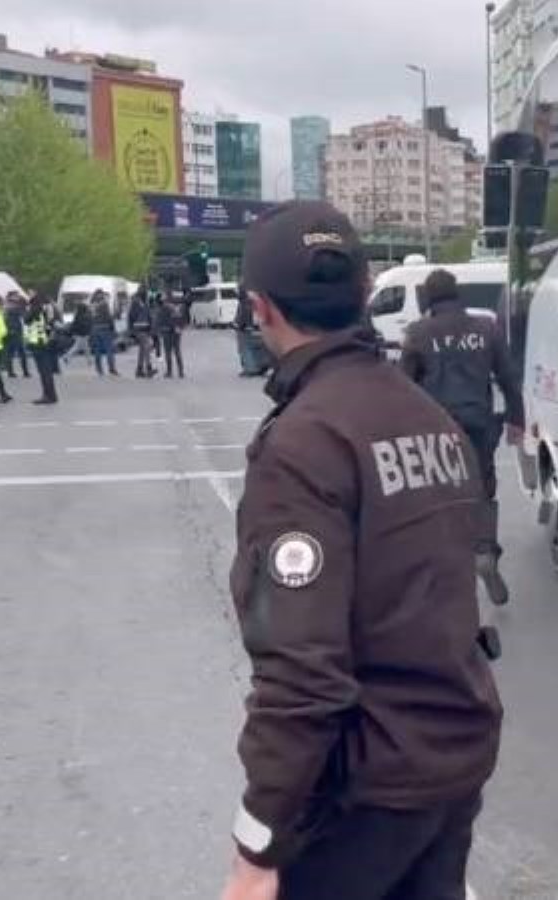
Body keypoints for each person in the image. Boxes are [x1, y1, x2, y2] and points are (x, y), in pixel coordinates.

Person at [219, 201, 501, 900]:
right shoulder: (425, 414)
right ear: (367, 290)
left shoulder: (305, 443)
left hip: (364, 793)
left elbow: (303, 674)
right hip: (453, 758)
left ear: (261, 309)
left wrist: (258, 840)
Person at [401, 270, 525, 608]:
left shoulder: (417, 334)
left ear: (428, 299)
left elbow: (403, 386)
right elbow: (509, 377)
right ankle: (484, 551)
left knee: (438, 493)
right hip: (478, 422)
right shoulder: (486, 329)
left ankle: (445, 570)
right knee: (482, 487)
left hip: (434, 427)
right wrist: (517, 419)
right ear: (458, 294)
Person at [24, 292, 60, 405]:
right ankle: (52, 395)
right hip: (47, 340)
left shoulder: (36, 308)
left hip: (39, 341)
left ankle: (47, 395)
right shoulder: (49, 307)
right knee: (47, 370)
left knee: (44, 371)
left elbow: (27, 319)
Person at [234, 287, 275, 378]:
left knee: (246, 347)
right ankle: (263, 366)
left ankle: (252, 368)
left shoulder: (245, 304)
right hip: (258, 325)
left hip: (248, 326)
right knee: (267, 347)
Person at [155, 289, 185, 379]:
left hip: (167, 332)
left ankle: (169, 372)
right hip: (177, 332)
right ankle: (181, 372)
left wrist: (159, 330)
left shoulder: (163, 308)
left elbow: (159, 321)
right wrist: (180, 328)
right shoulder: (178, 307)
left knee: (168, 353)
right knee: (177, 352)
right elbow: (182, 319)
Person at [127, 287, 156, 378]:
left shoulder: (145, 304)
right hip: (139, 330)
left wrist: (151, 329)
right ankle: (148, 368)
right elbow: (131, 318)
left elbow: (149, 317)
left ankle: (139, 370)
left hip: (145, 330)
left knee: (142, 350)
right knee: (147, 348)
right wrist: (131, 331)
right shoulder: (135, 305)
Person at [90, 290, 120, 377]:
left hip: (94, 329)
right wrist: (113, 328)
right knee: (109, 349)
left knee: (97, 350)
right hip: (104, 328)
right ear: (101, 295)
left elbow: (91, 318)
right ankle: (112, 368)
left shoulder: (92, 305)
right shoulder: (104, 304)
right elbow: (108, 317)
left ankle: (99, 369)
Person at [4, 292, 30, 378]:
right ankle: (24, 371)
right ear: (12, 296)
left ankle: (11, 372)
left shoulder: (7, 305)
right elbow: (24, 314)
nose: (18, 297)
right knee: (20, 352)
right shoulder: (13, 306)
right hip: (14, 331)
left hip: (11, 331)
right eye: (16, 296)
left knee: (10, 353)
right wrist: (23, 302)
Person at [66, 298, 93, 364]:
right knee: (78, 347)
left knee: (85, 347)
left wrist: (71, 331)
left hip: (79, 333)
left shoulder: (77, 315)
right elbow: (89, 324)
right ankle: (67, 356)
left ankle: (89, 360)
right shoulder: (86, 315)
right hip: (84, 333)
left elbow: (74, 324)